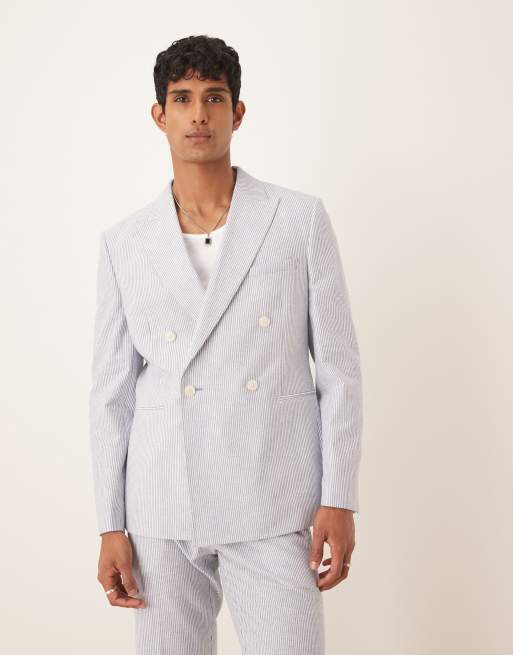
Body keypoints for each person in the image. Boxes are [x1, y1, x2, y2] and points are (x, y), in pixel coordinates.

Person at [89, 34, 363, 654]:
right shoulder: (125, 243)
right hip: (162, 503)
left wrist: (339, 497)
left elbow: (339, 370)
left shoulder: (298, 220)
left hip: (273, 496)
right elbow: (112, 394)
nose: (199, 114)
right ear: (159, 115)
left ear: (237, 113)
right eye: (182, 99)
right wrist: (110, 523)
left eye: (214, 98)